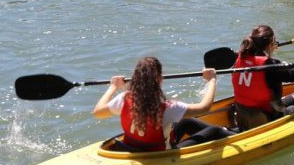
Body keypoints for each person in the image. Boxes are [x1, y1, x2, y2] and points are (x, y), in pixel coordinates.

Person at [92, 56, 229, 151]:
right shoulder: (168, 108)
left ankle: (232, 132)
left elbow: (97, 112)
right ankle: (237, 136)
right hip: (160, 155)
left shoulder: (123, 99)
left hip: (131, 148)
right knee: (216, 130)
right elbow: (205, 108)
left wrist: (113, 87)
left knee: (187, 122)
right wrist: (211, 80)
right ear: (159, 79)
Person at [231, 26, 294, 130]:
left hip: (243, 115)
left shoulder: (239, 59)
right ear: (271, 43)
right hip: (268, 119)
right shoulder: (271, 66)